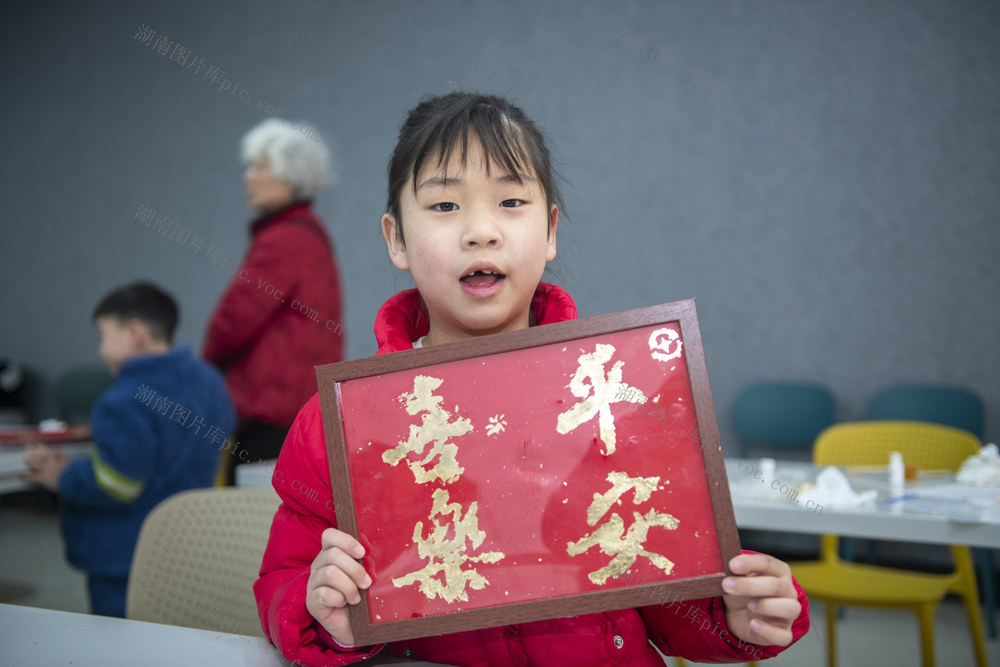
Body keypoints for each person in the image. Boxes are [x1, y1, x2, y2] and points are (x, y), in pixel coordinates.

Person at [254, 93, 810, 665]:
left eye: (511, 201)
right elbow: (284, 576)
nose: (481, 231)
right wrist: (323, 612)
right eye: (444, 205)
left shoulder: (613, 399)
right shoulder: (345, 423)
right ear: (396, 239)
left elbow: (663, 582)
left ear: (549, 231)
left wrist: (732, 611)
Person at [23, 282, 234, 617]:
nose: (101, 351)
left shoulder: (122, 401)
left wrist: (61, 476)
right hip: (190, 546)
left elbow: (117, 483)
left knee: (119, 636)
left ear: (135, 333)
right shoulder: (208, 381)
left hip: (125, 556)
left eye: (104, 336)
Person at [203, 119, 344, 483]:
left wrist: (205, 366)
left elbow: (233, 320)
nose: (247, 177)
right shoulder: (310, 235)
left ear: (287, 177)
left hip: (270, 410)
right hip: (295, 405)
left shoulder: (283, 240)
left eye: (258, 166)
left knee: (250, 508)